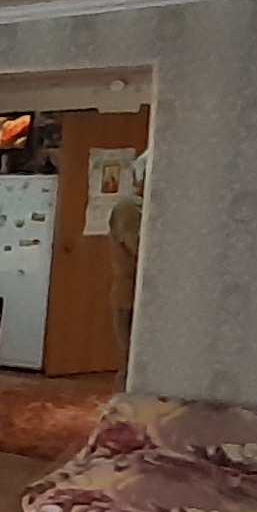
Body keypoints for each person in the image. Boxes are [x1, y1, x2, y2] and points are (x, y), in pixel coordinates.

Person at [108, 153, 147, 388]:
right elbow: (141, 249)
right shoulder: (130, 207)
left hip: (136, 296)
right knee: (132, 366)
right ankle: (125, 407)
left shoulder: (142, 206)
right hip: (130, 296)